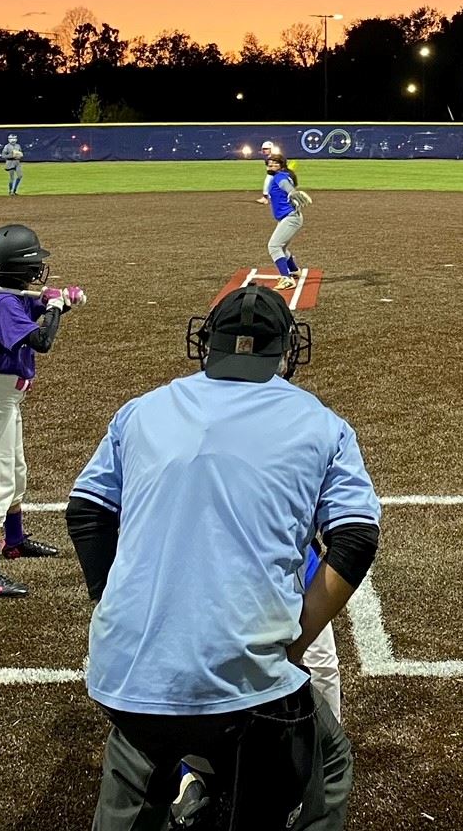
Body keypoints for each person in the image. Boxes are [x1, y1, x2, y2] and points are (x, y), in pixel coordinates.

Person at [65, 285, 379, 831]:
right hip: (246, 683)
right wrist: (295, 640)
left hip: (126, 667)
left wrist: (114, 603)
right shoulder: (321, 423)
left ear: (204, 343)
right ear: (286, 349)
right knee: (325, 765)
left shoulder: (141, 412)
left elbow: (88, 512)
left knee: (140, 761)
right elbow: (355, 538)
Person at [0, 224, 82, 597]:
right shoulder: (3, 304)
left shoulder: (12, 297)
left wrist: (61, 300)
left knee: (16, 472)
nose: (37, 272)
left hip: (8, 397)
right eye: (32, 265)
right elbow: (42, 339)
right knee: (0, 482)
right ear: (16, 267)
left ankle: (14, 541)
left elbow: (39, 307)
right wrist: (54, 307)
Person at [259, 154, 311, 277]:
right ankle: (294, 270)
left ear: (281, 166)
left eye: (274, 163)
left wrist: (292, 192)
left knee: (274, 246)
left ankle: (286, 279)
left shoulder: (279, 177)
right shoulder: (282, 175)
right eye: (269, 163)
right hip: (288, 218)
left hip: (290, 218)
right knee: (281, 248)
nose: (270, 165)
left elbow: (285, 185)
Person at [0, 133, 25, 197]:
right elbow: (3, 155)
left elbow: (21, 153)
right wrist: (11, 155)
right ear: (9, 139)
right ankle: (10, 191)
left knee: (20, 176)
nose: (13, 140)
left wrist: (20, 155)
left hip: (17, 162)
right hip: (10, 163)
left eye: (14, 138)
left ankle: (14, 190)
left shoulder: (18, 145)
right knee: (12, 178)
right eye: (12, 138)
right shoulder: (7, 146)